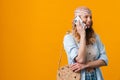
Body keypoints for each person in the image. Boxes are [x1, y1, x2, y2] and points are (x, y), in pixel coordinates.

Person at [63, 6, 108, 80]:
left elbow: (104, 60)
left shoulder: (96, 37)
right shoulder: (69, 38)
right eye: (86, 17)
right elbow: (80, 60)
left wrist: (86, 65)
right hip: (78, 77)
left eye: (90, 17)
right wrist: (83, 35)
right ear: (77, 20)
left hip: (96, 77)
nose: (89, 20)